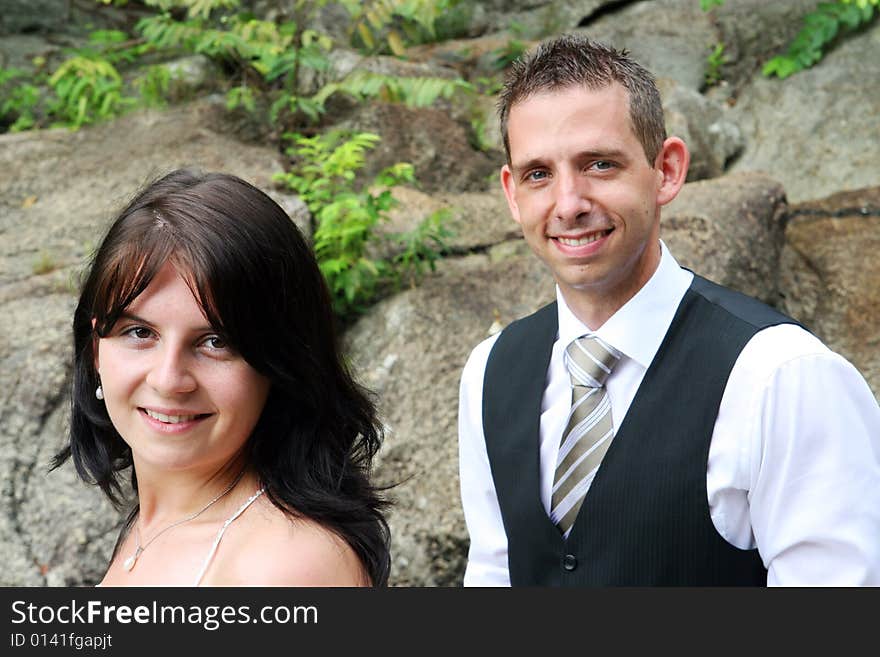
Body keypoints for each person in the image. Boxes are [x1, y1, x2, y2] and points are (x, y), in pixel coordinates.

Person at [457, 35, 880, 586]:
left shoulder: (784, 377)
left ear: (667, 170)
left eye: (600, 164)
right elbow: (493, 577)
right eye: (540, 174)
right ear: (513, 193)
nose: (569, 204)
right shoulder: (489, 372)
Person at [53, 169, 391, 586]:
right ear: (95, 349)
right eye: (139, 332)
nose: (168, 379)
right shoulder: (156, 527)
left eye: (215, 342)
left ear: (280, 364)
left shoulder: (286, 566)